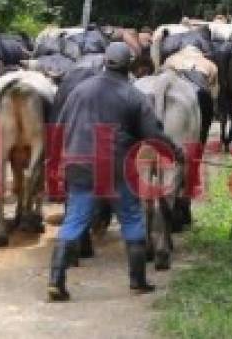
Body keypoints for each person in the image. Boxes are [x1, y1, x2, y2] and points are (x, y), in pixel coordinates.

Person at [47, 41, 184, 302]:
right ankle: (137, 281)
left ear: (105, 62)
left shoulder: (79, 90)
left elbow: (60, 126)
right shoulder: (133, 95)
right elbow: (152, 134)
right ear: (129, 65)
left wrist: (59, 161)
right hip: (117, 168)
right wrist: (175, 152)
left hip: (79, 165)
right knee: (132, 219)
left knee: (74, 219)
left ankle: (55, 281)